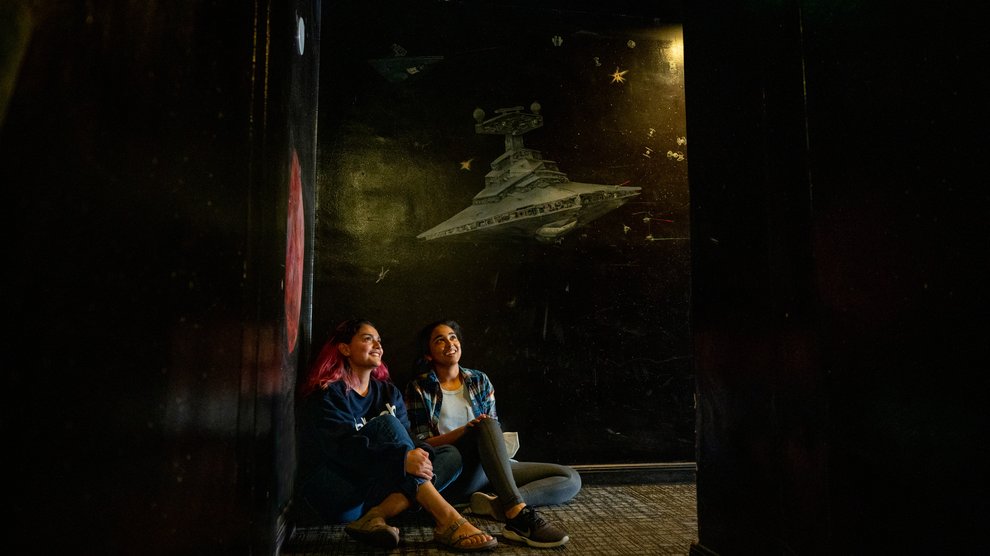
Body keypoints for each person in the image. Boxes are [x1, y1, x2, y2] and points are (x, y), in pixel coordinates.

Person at [295, 319, 497, 552]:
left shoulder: (389, 392)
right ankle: (448, 519)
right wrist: (402, 459)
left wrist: (418, 455)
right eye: (368, 339)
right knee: (387, 424)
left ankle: (377, 515)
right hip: (339, 493)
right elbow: (341, 450)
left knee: (449, 455)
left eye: (379, 341)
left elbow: (410, 441)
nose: (378, 346)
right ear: (345, 348)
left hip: (375, 491)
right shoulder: (329, 393)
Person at [405, 319, 581, 549]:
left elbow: (492, 432)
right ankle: (516, 514)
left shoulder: (479, 380)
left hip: (489, 469)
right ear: (428, 354)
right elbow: (423, 443)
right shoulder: (419, 388)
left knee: (570, 478)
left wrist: (482, 430)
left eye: (453, 337)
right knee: (485, 424)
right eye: (440, 340)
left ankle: (497, 504)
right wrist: (466, 430)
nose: (450, 343)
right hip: (457, 470)